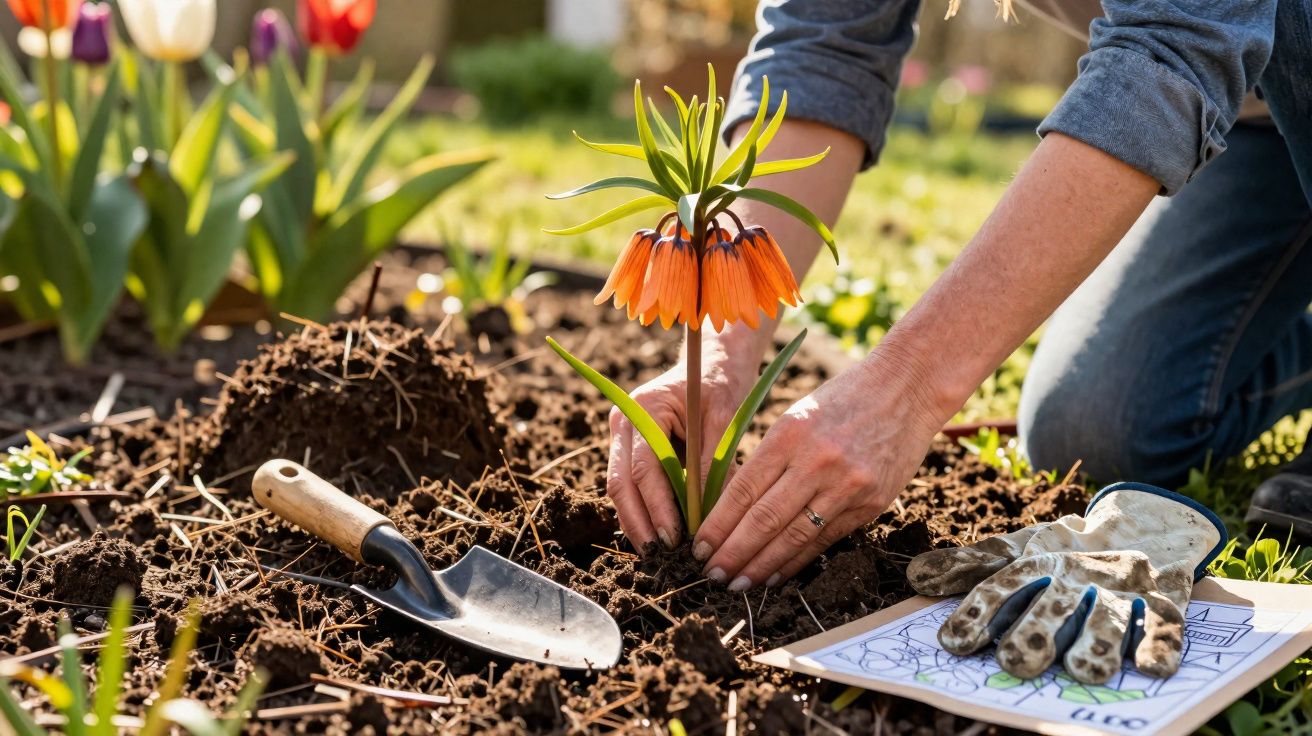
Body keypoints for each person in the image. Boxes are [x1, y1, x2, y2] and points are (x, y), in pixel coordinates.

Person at [603, 0, 1312, 595]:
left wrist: (905, 390)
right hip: (1245, 119)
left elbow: (1174, 43)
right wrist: (724, 346)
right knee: (1096, 430)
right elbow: (821, 48)